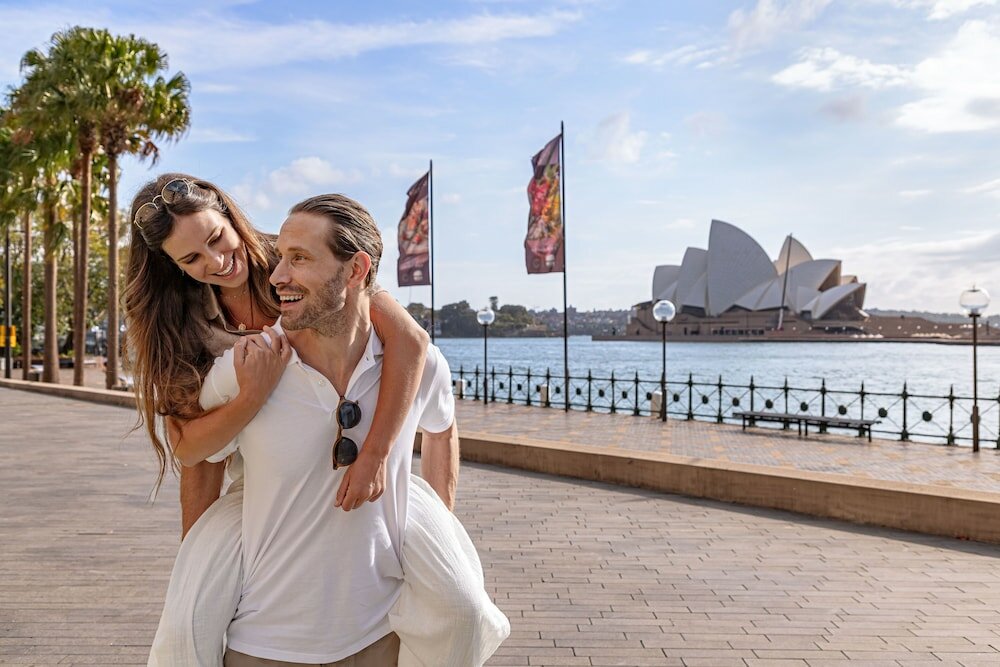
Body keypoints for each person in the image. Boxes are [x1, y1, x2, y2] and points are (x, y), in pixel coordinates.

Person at [125, 177, 509, 665]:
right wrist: (195, 563)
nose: (217, 263)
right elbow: (192, 453)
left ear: (230, 216)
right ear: (173, 267)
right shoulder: (181, 323)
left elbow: (410, 344)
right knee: (187, 623)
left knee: (463, 605)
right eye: (192, 260)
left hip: (371, 461)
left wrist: (374, 454)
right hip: (255, 469)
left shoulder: (297, 258)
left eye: (217, 239)